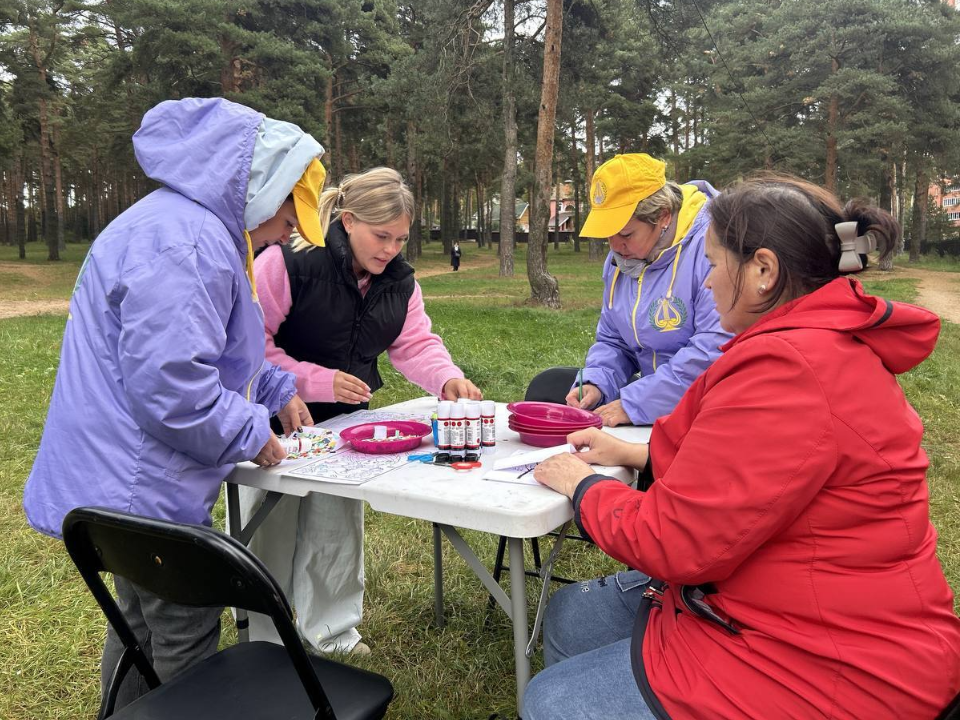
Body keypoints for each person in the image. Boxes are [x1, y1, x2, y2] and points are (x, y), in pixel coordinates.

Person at [525, 174, 960, 719]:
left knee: (551, 701)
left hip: (836, 665)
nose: (704, 284)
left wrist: (581, 484)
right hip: (780, 601)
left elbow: (672, 540)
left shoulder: (788, 371)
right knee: (571, 615)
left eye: (711, 264)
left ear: (762, 270)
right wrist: (640, 453)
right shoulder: (810, 343)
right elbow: (763, 469)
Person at [22, 97, 325, 709]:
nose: (292, 231)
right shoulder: (189, 243)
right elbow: (171, 390)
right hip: (143, 486)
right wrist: (251, 432)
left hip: (115, 479)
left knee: (135, 626)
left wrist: (275, 390)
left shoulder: (180, 224)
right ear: (260, 188)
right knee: (184, 633)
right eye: (293, 214)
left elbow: (209, 351)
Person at [241, 166, 482, 654]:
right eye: (381, 236)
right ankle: (266, 638)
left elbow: (414, 342)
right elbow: (248, 344)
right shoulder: (286, 263)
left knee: (336, 524)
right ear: (347, 221)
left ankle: (331, 634)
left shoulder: (399, 282)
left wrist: (447, 377)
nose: (391, 249)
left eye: (400, 239)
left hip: (348, 425)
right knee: (272, 526)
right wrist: (314, 380)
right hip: (271, 415)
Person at [562, 153, 730, 427]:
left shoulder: (713, 246)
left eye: (626, 234)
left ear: (662, 216)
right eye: (608, 235)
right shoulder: (621, 262)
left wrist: (636, 403)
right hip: (655, 416)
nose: (615, 246)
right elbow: (613, 340)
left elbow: (713, 349)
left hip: (712, 418)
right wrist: (596, 382)